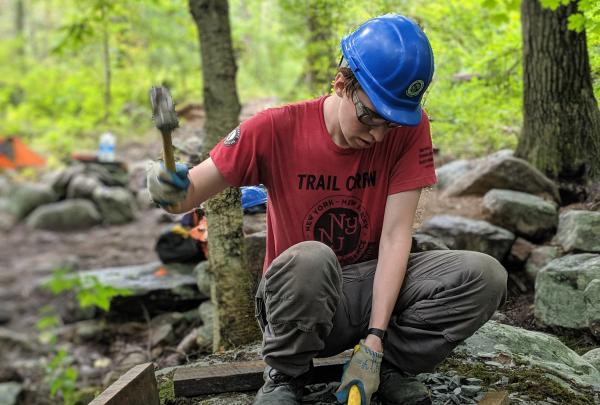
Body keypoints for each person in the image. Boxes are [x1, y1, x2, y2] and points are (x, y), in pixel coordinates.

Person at [148, 14, 507, 405]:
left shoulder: (409, 129)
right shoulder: (274, 129)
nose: (378, 134)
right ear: (341, 83)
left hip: (368, 292)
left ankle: (389, 369)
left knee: (483, 275)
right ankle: (285, 375)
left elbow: (395, 235)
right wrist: (166, 185)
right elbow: (185, 198)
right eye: (370, 116)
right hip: (299, 296)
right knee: (313, 258)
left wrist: (374, 343)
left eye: (392, 123)